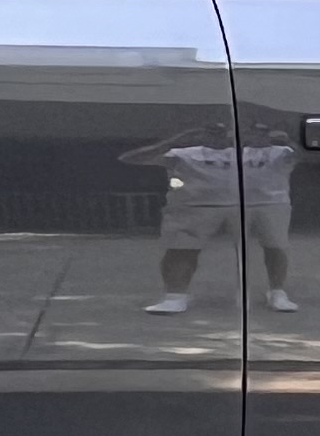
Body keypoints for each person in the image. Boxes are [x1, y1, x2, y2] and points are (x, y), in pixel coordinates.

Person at [122, 126, 298, 314]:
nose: (221, 136)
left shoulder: (276, 152)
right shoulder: (184, 153)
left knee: (275, 245)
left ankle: (277, 293)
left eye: (225, 131)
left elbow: (312, 157)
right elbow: (130, 159)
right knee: (181, 249)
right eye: (213, 132)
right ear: (201, 134)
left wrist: (287, 141)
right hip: (195, 205)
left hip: (264, 203)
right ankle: (175, 297)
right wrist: (175, 140)